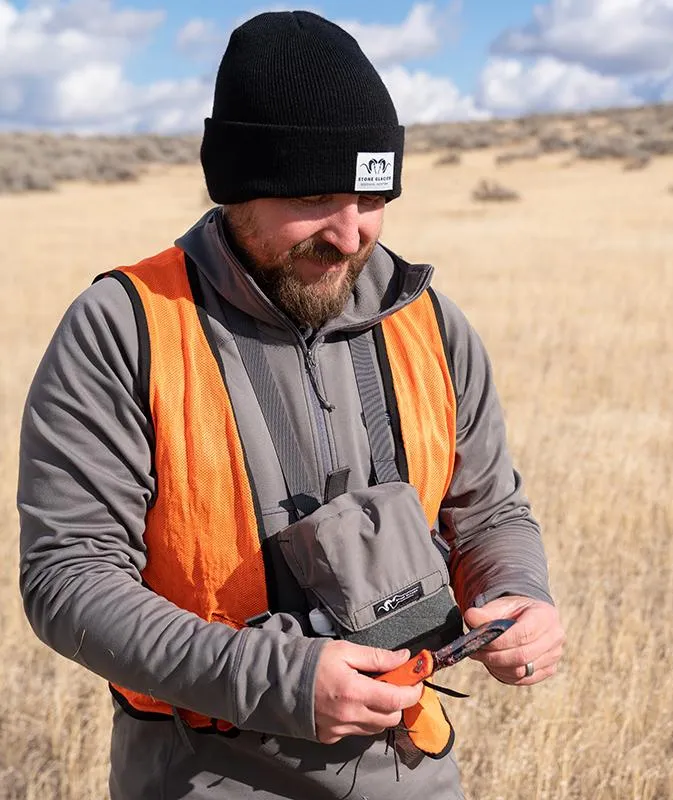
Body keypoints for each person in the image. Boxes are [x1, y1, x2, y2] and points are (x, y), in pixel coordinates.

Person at [17, 11, 564, 800]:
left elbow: (488, 514)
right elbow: (67, 576)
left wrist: (519, 595)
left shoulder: (430, 322)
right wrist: (280, 679)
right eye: (313, 195)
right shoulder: (124, 328)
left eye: (372, 196)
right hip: (206, 774)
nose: (350, 235)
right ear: (237, 185)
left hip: (418, 768)